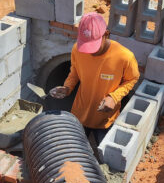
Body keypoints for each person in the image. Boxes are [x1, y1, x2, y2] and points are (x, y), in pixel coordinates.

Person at [50, 12, 140, 145]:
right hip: (79, 114)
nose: (90, 51)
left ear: (106, 34)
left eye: (94, 45)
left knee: (104, 155)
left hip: (105, 119)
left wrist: (114, 97)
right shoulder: (77, 50)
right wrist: (67, 87)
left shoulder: (124, 57)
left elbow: (132, 79)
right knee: (75, 148)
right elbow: (75, 71)